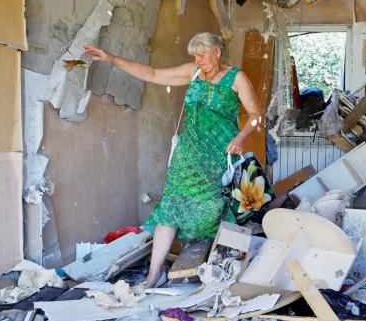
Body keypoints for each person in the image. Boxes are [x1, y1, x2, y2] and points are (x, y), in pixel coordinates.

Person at [84, 32, 262, 287]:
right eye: (195, 56)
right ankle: (153, 274)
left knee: (216, 207)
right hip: (188, 155)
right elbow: (153, 74)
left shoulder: (236, 78)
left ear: (217, 52)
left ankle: (221, 269)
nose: (198, 60)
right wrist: (112, 59)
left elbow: (256, 115)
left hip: (219, 156)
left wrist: (242, 137)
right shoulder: (192, 72)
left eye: (201, 54)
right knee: (170, 207)